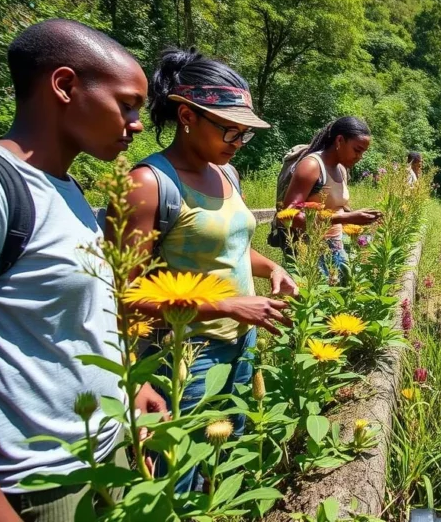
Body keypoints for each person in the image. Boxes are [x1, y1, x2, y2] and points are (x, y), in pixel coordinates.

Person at [0, 19, 167, 521]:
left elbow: (82, 318)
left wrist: (132, 385)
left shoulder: (69, 190)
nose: (137, 123)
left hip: (104, 449)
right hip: (39, 481)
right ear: (64, 86)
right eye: (126, 104)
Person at [125, 48, 298, 494]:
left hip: (242, 341)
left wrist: (271, 267)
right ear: (187, 116)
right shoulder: (150, 184)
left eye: (245, 134)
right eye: (230, 130)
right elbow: (122, 297)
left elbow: (234, 248)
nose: (238, 141)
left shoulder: (229, 174)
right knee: (176, 476)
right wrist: (226, 304)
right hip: (185, 354)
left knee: (225, 460)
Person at [280, 117, 383, 271]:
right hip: (310, 252)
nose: (360, 157)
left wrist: (362, 218)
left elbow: (336, 207)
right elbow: (290, 215)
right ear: (340, 140)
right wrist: (345, 218)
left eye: (363, 152)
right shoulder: (312, 166)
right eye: (357, 150)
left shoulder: (341, 169)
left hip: (336, 246)